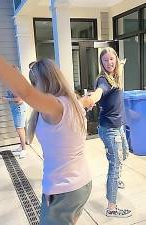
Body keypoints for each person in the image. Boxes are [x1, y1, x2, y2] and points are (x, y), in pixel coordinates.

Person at [0, 16, 92, 225]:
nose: (33, 86)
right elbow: (90, 99)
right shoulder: (73, 102)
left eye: (34, 81)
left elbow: (24, 92)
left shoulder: (56, 106)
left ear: (45, 81)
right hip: (80, 184)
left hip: (64, 190)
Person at [82, 47, 131, 218]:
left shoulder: (115, 75)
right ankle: (111, 208)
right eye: (105, 60)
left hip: (118, 126)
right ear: (101, 63)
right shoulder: (104, 80)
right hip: (110, 129)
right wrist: (90, 100)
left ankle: (116, 177)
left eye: (112, 59)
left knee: (124, 154)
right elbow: (99, 92)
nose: (109, 63)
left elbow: (120, 65)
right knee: (115, 166)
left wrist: (122, 63)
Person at [2, 89, 27, 158]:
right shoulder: (10, 85)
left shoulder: (14, 85)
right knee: (18, 129)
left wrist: (7, 99)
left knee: (20, 129)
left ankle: (24, 149)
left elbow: (19, 99)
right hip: (15, 109)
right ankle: (21, 146)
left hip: (19, 109)